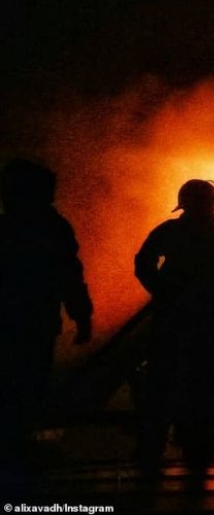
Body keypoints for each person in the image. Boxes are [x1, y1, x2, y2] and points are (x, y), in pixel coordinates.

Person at [134, 179, 214, 482]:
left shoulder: (172, 231)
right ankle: (194, 458)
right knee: (198, 387)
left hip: (175, 320)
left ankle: (153, 455)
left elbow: (143, 263)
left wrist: (161, 290)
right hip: (202, 322)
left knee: (165, 385)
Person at [0, 159, 93, 476]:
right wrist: (81, 316)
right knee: (30, 385)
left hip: (17, 321)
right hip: (37, 321)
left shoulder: (8, 227)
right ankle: (22, 457)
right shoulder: (53, 227)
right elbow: (69, 275)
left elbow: (68, 273)